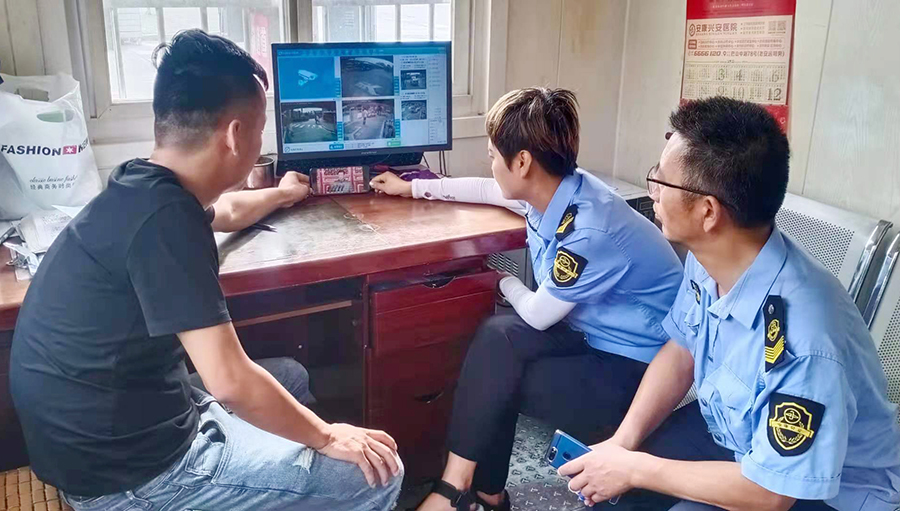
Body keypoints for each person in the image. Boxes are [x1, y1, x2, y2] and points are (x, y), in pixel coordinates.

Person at [10, 29, 402, 511]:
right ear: (235, 135)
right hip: (129, 475)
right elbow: (230, 381)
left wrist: (282, 194)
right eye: (260, 127)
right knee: (377, 476)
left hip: (111, 423)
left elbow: (228, 212)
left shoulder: (143, 185)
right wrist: (327, 436)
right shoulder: (166, 223)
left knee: (292, 377)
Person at [558, 97, 900, 510]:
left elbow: (771, 493)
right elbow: (682, 349)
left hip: (827, 493)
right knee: (615, 490)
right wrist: (622, 445)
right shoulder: (710, 258)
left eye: (661, 181)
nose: (654, 191)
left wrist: (636, 469)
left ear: (708, 212)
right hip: (736, 435)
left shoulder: (805, 339)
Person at [370, 87, 684, 511]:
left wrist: (501, 280)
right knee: (497, 337)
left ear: (521, 162)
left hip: (635, 368)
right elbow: (485, 189)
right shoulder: (557, 189)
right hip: (590, 331)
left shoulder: (589, 228)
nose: (490, 164)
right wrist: (414, 189)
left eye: (493, 156)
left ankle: (461, 493)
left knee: (499, 377)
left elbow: (537, 315)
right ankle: (478, 492)